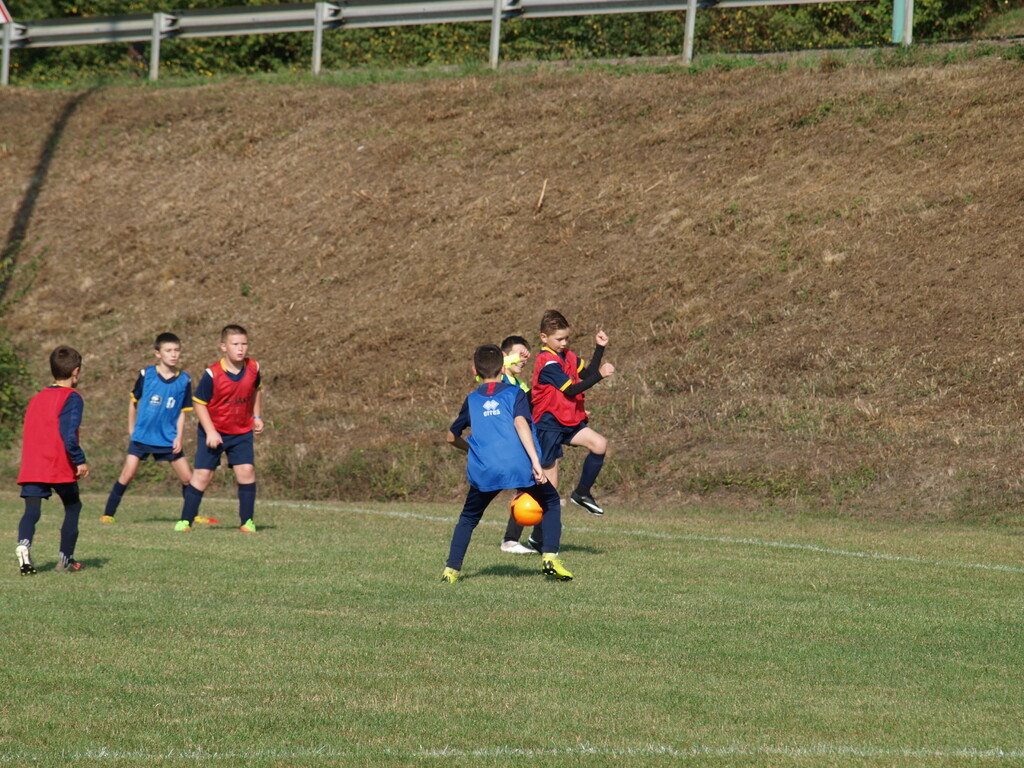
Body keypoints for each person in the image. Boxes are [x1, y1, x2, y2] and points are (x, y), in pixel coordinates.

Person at [441, 344, 573, 583]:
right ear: (503, 369)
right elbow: (521, 424)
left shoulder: (472, 400)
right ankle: (550, 558)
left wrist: (472, 450)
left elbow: (451, 437)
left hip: (486, 469)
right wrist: (535, 462)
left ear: (474, 371)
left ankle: (451, 571)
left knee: (468, 519)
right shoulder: (515, 393)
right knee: (551, 501)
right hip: (518, 466)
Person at [101, 333, 212, 523]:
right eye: (168, 350)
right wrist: (131, 428)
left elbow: (182, 412)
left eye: (176, 350)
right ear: (158, 353)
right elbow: (133, 402)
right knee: (127, 474)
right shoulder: (147, 375)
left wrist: (178, 437)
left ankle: (192, 516)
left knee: (188, 479)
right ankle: (108, 514)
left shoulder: (184, 380)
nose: (173, 354)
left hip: (168, 438)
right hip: (142, 436)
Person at [175, 324, 264, 533]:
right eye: (235, 344)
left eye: (244, 344)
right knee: (202, 475)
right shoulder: (213, 374)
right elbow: (199, 403)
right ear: (223, 347)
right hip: (214, 431)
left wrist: (257, 416)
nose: (240, 349)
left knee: (247, 471)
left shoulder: (253, 367)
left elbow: (257, 390)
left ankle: (247, 522)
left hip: (241, 430)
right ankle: (186, 521)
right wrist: (211, 431)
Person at [531, 309, 615, 516]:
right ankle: (530, 531)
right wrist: (600, 376)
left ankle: (582, 493)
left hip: (567, 421)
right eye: (559, 339)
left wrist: (600, 348)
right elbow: (571, 389)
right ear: (544, 338)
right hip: (549, 424)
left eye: (566, 338)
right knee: (550, 487)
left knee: (599, 444)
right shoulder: (548, 362)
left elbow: (587, 373)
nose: (564, 343)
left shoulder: (567, 356)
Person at [15, 345, 89, 574]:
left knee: (32, 511)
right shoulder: (72, 397)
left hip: (33, 464)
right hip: (58, 464)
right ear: (76, 371)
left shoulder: (36, 398)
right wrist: (79, 460)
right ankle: (65, 560)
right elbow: (69, 435)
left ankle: (23, 544)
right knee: (73, 506)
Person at [496, 335, 541, 555]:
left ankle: (527, 538)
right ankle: (511, 540)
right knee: (530, 486)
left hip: (520, 444)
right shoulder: (498, 378)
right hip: (506, 446)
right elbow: (494, 365)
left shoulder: (519, 384)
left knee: (532, 486)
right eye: (518, 354)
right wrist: (513, 357)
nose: (523, 359)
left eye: (525, 356)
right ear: (505, 356)